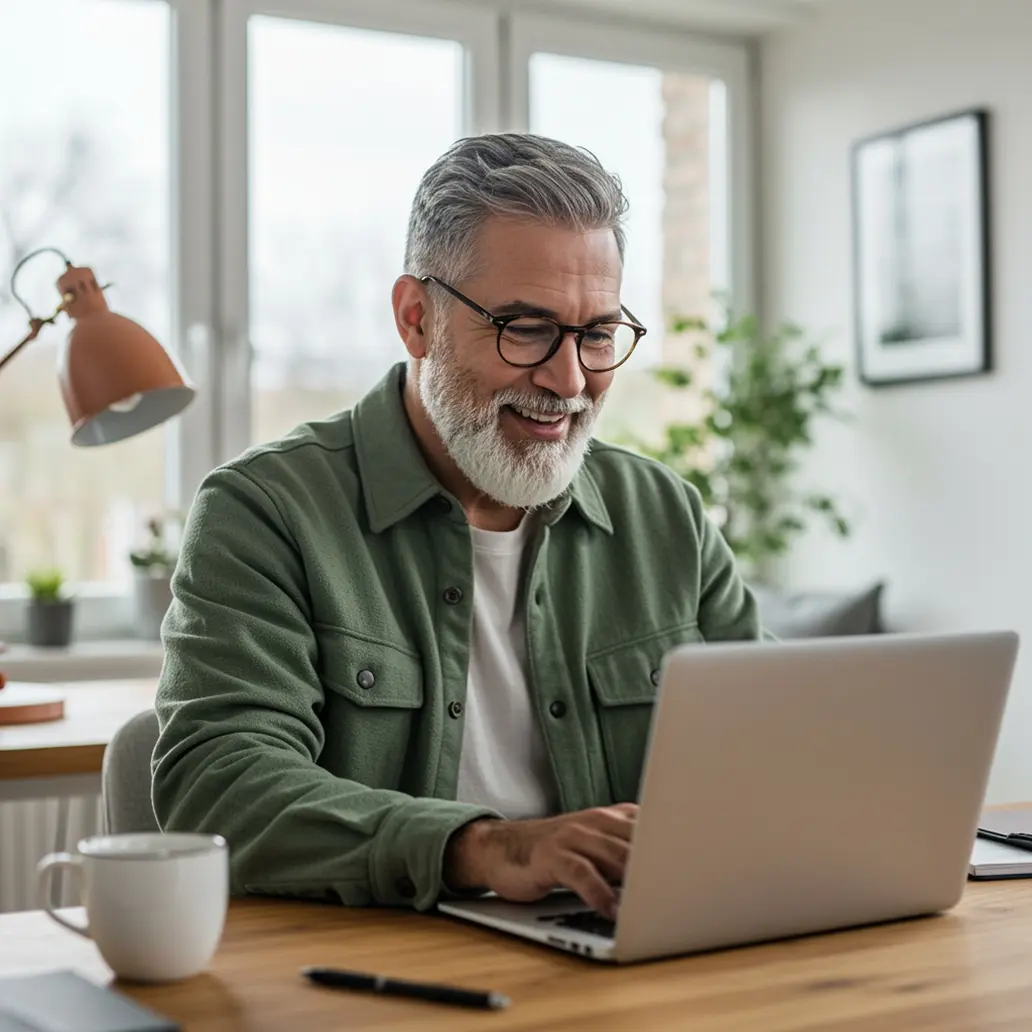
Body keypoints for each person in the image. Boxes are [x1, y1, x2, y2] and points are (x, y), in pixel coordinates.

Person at [152, 133, 763, 921]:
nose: (569, 380)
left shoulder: (665, 515)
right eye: (525, 328)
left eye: (598, 334)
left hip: (629, 955)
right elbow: (219, 785)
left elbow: (775, 745)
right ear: (417, 320)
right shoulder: (266, 511)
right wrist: (488, 849)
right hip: (375, 965)